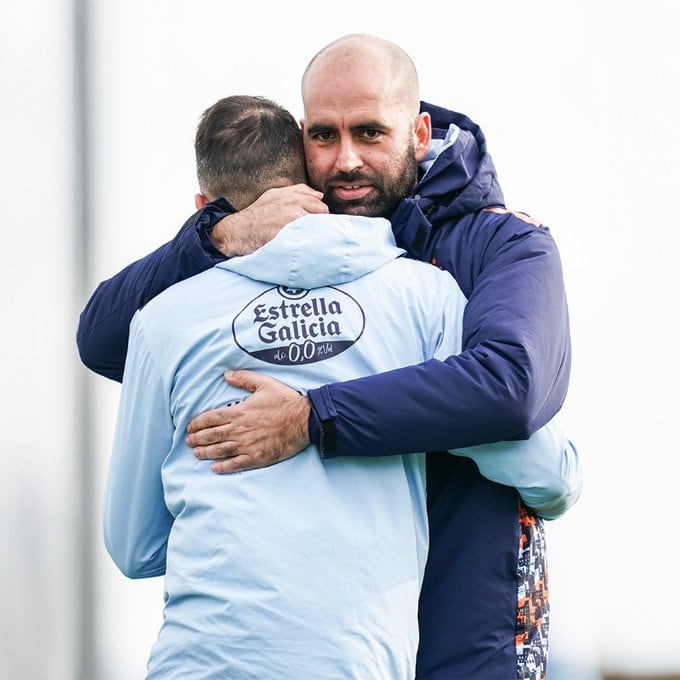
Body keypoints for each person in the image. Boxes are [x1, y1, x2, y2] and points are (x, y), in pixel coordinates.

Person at [80, 35, 572, 679]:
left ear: (419, 132)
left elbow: (512, 389)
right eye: (323, 135)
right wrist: (218, 237)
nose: (346, 160)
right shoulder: (257, 262)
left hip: (468, 636)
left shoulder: (504, 244)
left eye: (370, 132)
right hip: (348, 647)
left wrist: (314, 416)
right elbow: (105, 337)